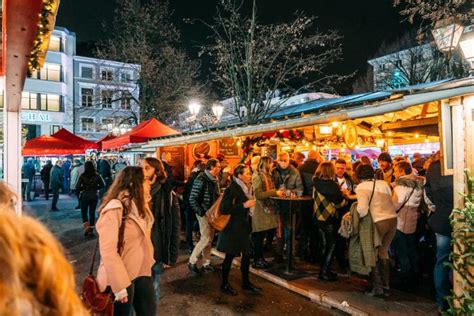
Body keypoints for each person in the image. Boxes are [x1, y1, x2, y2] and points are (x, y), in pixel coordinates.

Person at [96, 166, 156, 316]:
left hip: (142, 270)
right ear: (134, 183)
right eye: (146, 180)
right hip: (121, 276)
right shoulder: (115, 208)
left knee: (148, 311)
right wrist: (120, 286)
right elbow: (108, 251)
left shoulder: (141, 205)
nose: (150, 183)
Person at [218, 164, 262, 295]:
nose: (250, 175)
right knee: (229, 256)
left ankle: (246, 283)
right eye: (247, 173)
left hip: (243, 227)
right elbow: (224, 208)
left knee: (247, 254)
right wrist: (244, 205)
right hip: (232, 228)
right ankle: (224, 284)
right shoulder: (232, 188)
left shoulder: (248, 188)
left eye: (250, 172)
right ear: (239, 175)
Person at [142, 157, 180, 300]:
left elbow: (174, 226)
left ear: (157, 172)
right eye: (142, 167)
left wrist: (171, 255)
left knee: (153, 289)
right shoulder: (137, 192)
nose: (143, 171)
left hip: (156, 248)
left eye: (147, 168)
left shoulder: (167, 195)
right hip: (137, 250)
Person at [355, 164, 396, 297]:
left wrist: (354, 216)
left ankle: (377, 288)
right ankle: (386, 286)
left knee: (372, 253)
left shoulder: (361, 187)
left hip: (378, 221)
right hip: (392, 220)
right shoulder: (383, 183)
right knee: (383, 252)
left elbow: (362, 209)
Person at [424, 152, 453, 313]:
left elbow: (428, 194)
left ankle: (442, 302)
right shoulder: (460, 164)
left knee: (441, 260)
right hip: (458, 219)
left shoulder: (432, 169)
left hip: (441, 221)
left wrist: (440, 208)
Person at [313, 162, 347, 281]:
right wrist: (344, 199)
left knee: (324, 245)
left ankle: (325, 269)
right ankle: (324, 272)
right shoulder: (331, 185)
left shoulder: (316, 182)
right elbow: (338, 203)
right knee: (331, 244)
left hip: (318, 216)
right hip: (329, 217)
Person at [391, 160, 423, 288]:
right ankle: (415, 273)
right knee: (411, 249)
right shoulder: (417, 185)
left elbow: (395, 205)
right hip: (412, 221)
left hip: (400, 222)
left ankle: (406, 278)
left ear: (402, 171)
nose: (394, 173)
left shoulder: (401, 187)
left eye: (396, 170)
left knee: (402, 251)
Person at [188, 158, 221, 274]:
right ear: (211, 167)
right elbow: (192, 199)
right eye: (218, 167)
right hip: (204, 213)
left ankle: (206, 263)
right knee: (206, 238)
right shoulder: (201, 179)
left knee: (209, 239)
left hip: (212, 213)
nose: (220, 169)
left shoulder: (214, 179)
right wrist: (201, 212)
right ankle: (192, 261)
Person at [252, 156, 284, 268]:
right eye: (271, 163)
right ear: (266, 164)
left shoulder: (268, 176)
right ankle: (257, 260)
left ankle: (260, 259)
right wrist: (275, 192)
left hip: (266, 210)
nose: (272, 165)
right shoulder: (258, 177)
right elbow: (258, 195)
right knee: (259, 236)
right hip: (260, 210)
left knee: (262, 235)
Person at [272, 152, 303, 262]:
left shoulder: (295, 172)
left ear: (289, 161)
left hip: (290, 206)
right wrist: (277, 192)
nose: (283, 163)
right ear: (278, 161)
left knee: (289, 230)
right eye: (281, 161)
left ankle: (290, 254)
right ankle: (279, 254)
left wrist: (289, 192)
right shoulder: (274, 171)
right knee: (278, 231)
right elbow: (270, 187)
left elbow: (300, 189)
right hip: (276, 204)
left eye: (285, 160)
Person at [297, 150, 322, 262]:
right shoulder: (319, 168)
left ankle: (302, 252)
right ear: (317, 157)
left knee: (304, 227)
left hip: (303, 200)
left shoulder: (300, 168)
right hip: (315, 201)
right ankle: (314, 254)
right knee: (314, 229)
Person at [334, 159, 356, 273]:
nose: (340, 170)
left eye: (342, 168)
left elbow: (352, 192)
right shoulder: (332, 179)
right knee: (338, 236)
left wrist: (349, 194)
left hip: (346, 209)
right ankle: (339, 259)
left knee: (345, 235)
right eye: (338, 168)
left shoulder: (349, 179)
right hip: (336, 210)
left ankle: (343, 259)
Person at [76, 161, 105, 237]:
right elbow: (103, 185)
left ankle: (87, 228)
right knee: (92, 212)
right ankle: (91, 229)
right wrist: (96, 188)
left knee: (84, 212)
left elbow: (77, 186)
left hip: (85, 195)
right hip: (94, 195)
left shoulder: (82, 175)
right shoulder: (97, 175)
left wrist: (83, 188)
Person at [183, 160, 204, 253]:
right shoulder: (201, 178)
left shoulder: (191, 177)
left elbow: (185, 192)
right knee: (199, 224)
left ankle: (189, 245)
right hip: (197, 205)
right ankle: (198, 244)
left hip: (188, 205)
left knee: (189, 226)